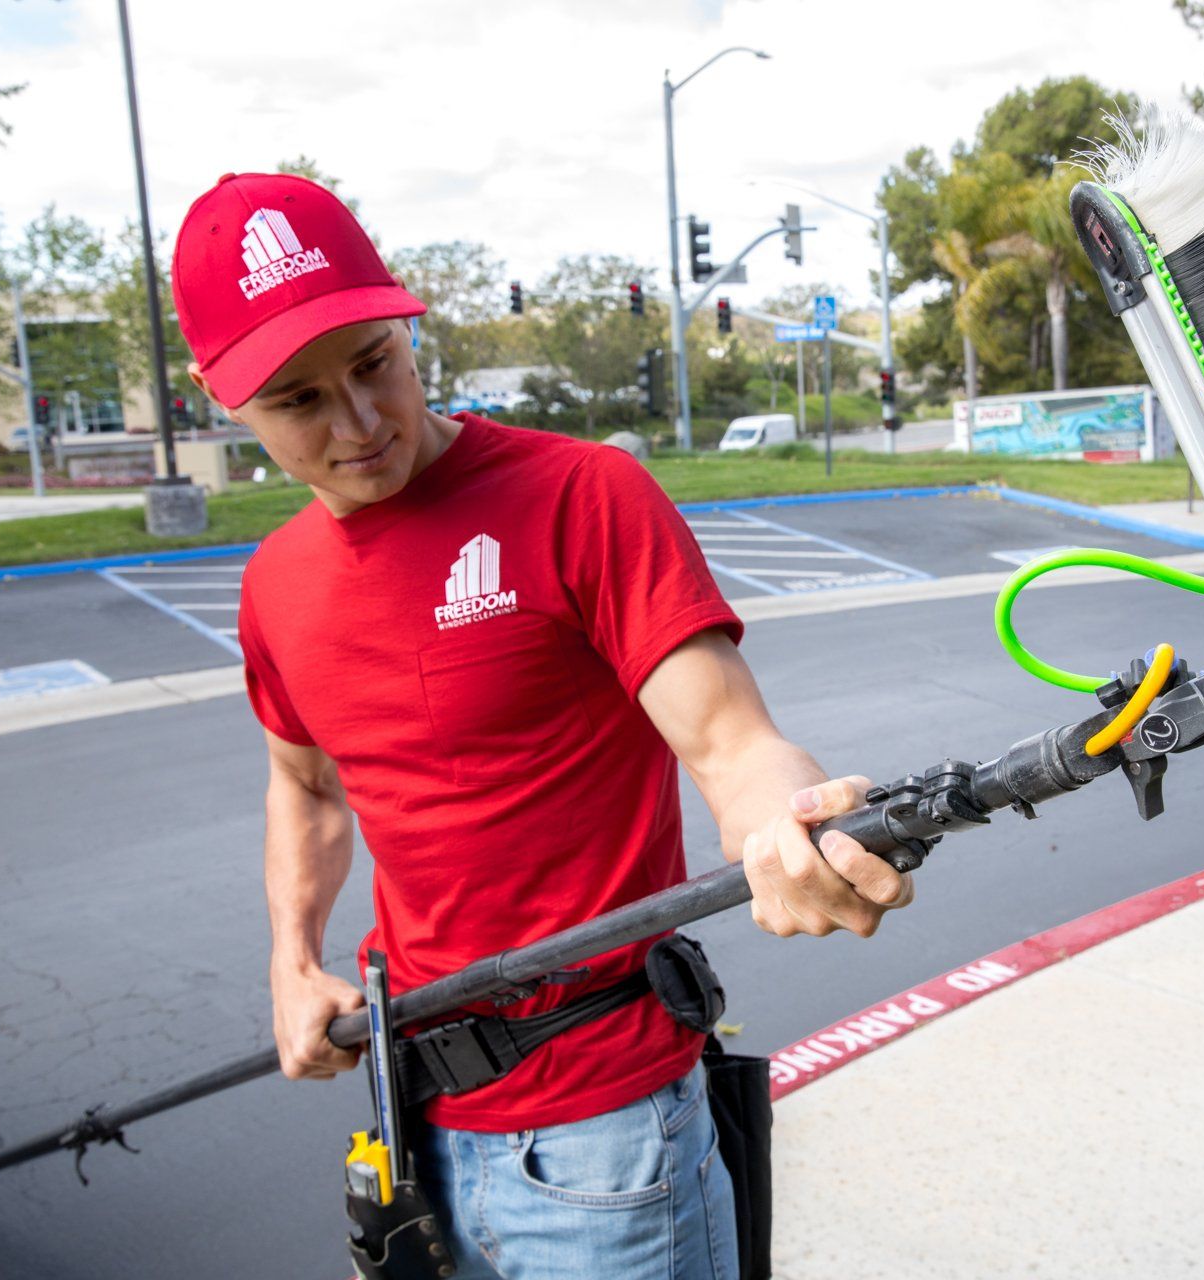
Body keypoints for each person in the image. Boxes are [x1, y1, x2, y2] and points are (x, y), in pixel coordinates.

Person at [170, 171, 912, 1280]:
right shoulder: (275, 586)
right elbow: (308, 786)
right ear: (220, 399)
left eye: (375, 364)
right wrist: (290, 960)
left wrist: (790, 826)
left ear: (403, 325)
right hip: (414, 1119)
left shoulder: (581, 497)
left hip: (607, 1143)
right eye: (300, 401)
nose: (361, 422)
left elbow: (729, 741)